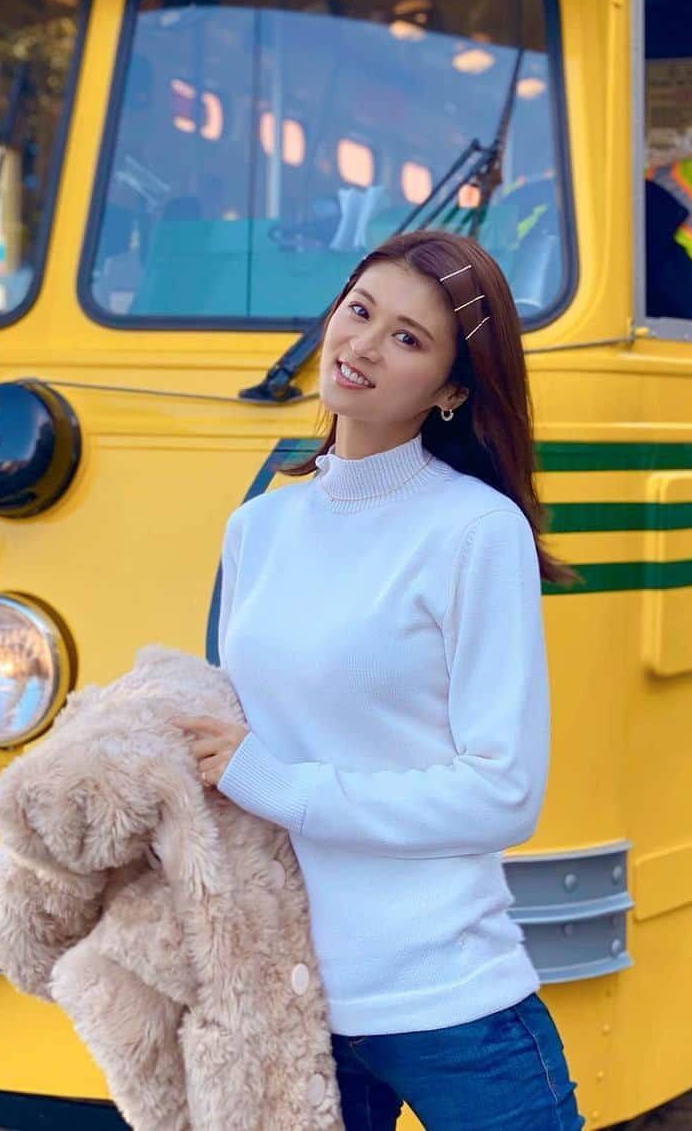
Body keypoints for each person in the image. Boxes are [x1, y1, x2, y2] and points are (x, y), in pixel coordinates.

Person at [169, 227, 584, 1130]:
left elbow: (504, 793)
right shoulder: (260, 528)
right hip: (295, 1003)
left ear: (450, 391)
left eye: (408, 338)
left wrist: (281, 784)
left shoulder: (476, 531)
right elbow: (239, 740)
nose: (360, 346)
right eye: (359, 311)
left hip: (449, 1001)